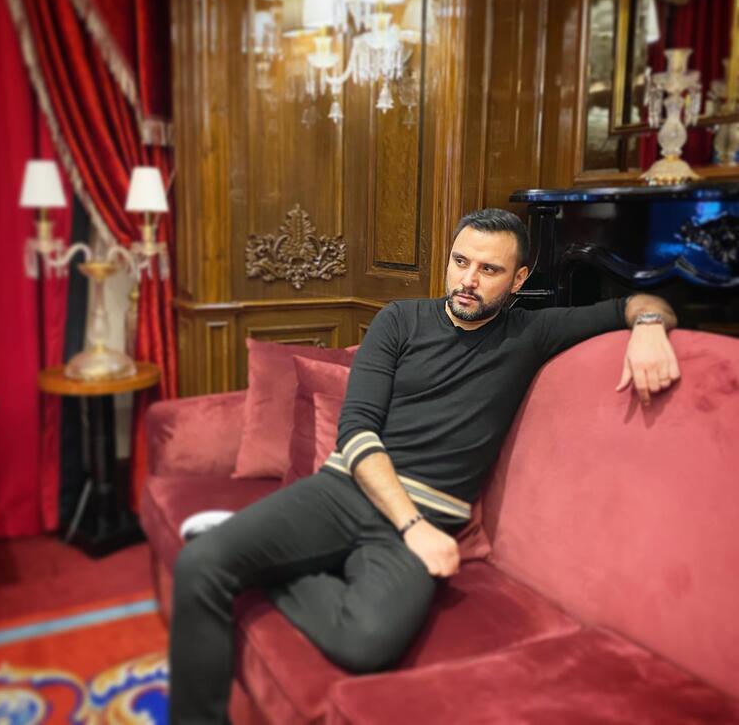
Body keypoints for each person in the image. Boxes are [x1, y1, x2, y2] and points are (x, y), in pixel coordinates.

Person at [168, 208, 680, 724]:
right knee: (200, 565)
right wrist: (412, 525)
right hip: (347, 493)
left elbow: (642, 303)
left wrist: (649, 327)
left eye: (489, 269)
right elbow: (357, 431)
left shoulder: (532, 332)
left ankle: (268, 568)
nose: (468, 279)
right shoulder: (399, 320)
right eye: (461, 262)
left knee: (367, 642)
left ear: (519, 279)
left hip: (428, 517)